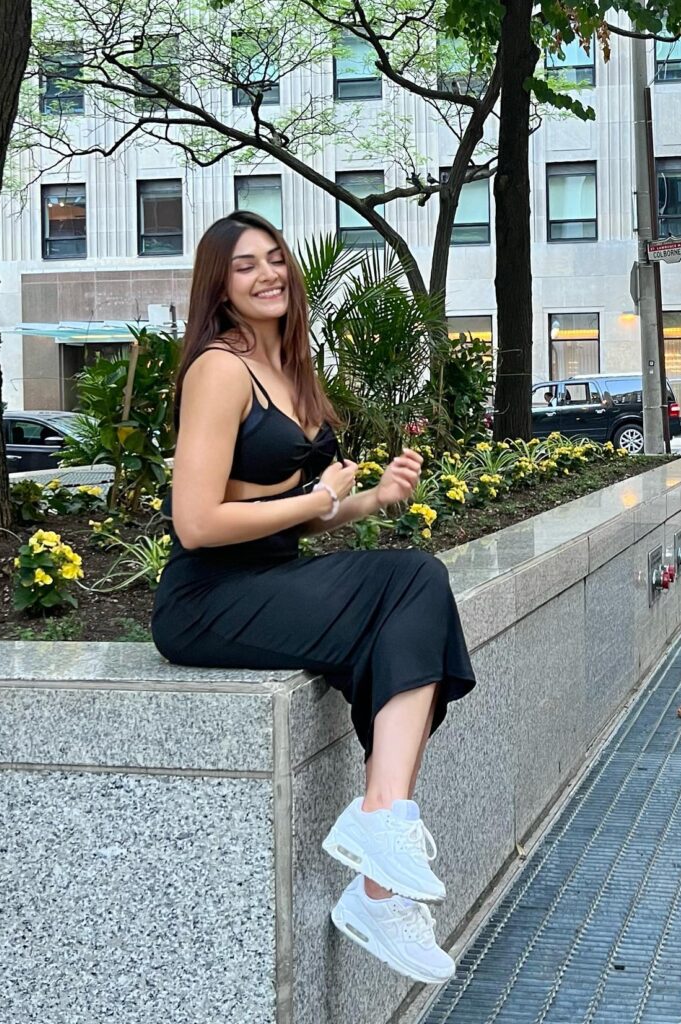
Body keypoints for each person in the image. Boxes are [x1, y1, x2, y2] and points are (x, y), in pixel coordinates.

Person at [151, 211, 476, 985]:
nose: (268, 274)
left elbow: (312, 503)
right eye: (244, 267)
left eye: (275, 259)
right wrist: (319, 499)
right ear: (219, 289)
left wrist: (373, 500)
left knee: (408, 598)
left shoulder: (292, 369)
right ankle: (380, 835)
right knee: (413, 583)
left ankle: (378, 871)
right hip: (208, 600)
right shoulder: (218, 369)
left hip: (270, 581)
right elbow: (196, 524)